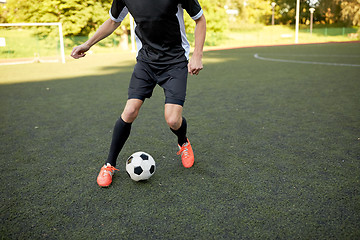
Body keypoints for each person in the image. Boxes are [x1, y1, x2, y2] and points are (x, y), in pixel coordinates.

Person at [71, 0, 206, 187]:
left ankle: (183, 142)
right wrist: (88, 44)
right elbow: (113, 21)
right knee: (130, 111)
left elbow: (200, 19)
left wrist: (197, 54)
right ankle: (109, 164)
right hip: (146, 61)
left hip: (175, 61)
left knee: (173, 120)